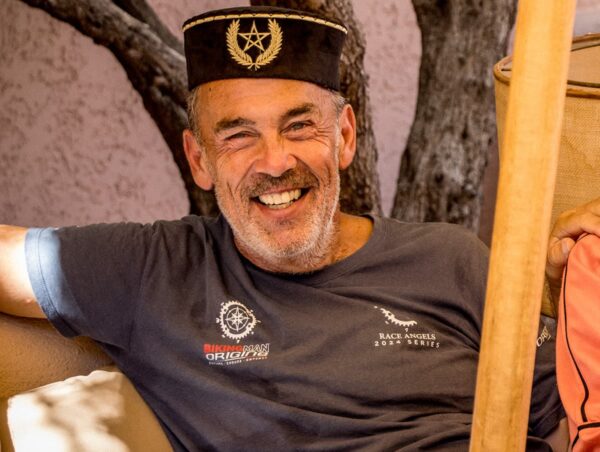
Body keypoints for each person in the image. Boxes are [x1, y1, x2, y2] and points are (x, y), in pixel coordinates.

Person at [1, 5, 595, 451]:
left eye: (299, 126)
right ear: (199, 159)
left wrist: (570, 291)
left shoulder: (451, 260)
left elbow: (573, 414)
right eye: (239, 136)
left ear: (345, 137)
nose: (275, 161)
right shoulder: (156, 269)